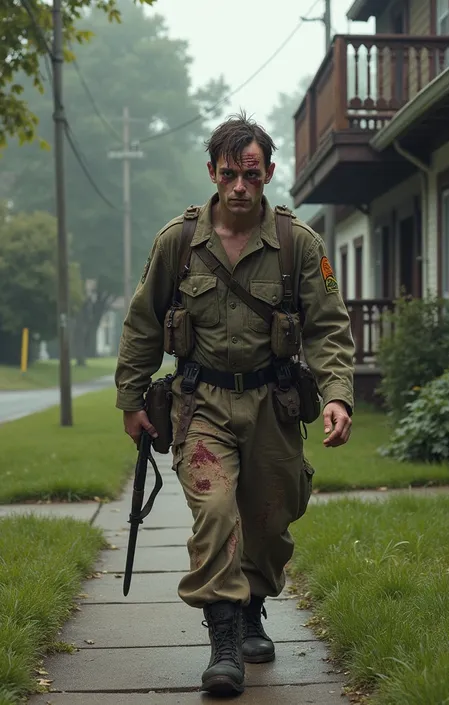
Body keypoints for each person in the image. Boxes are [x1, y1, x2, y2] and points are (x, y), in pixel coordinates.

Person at [114, 112, 355, 697]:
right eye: (229, 175)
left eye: (252, 174)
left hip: (273, 404)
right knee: (216, 511)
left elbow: (328, 328)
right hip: (203, 404)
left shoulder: (301, 245)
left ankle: (252, 606)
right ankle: (223, 637)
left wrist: (337, 395)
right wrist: (131, 398)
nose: (240, 187)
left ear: (269, 171)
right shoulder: (179, 242)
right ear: (213, 173)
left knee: (271, 520)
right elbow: (143, 322)